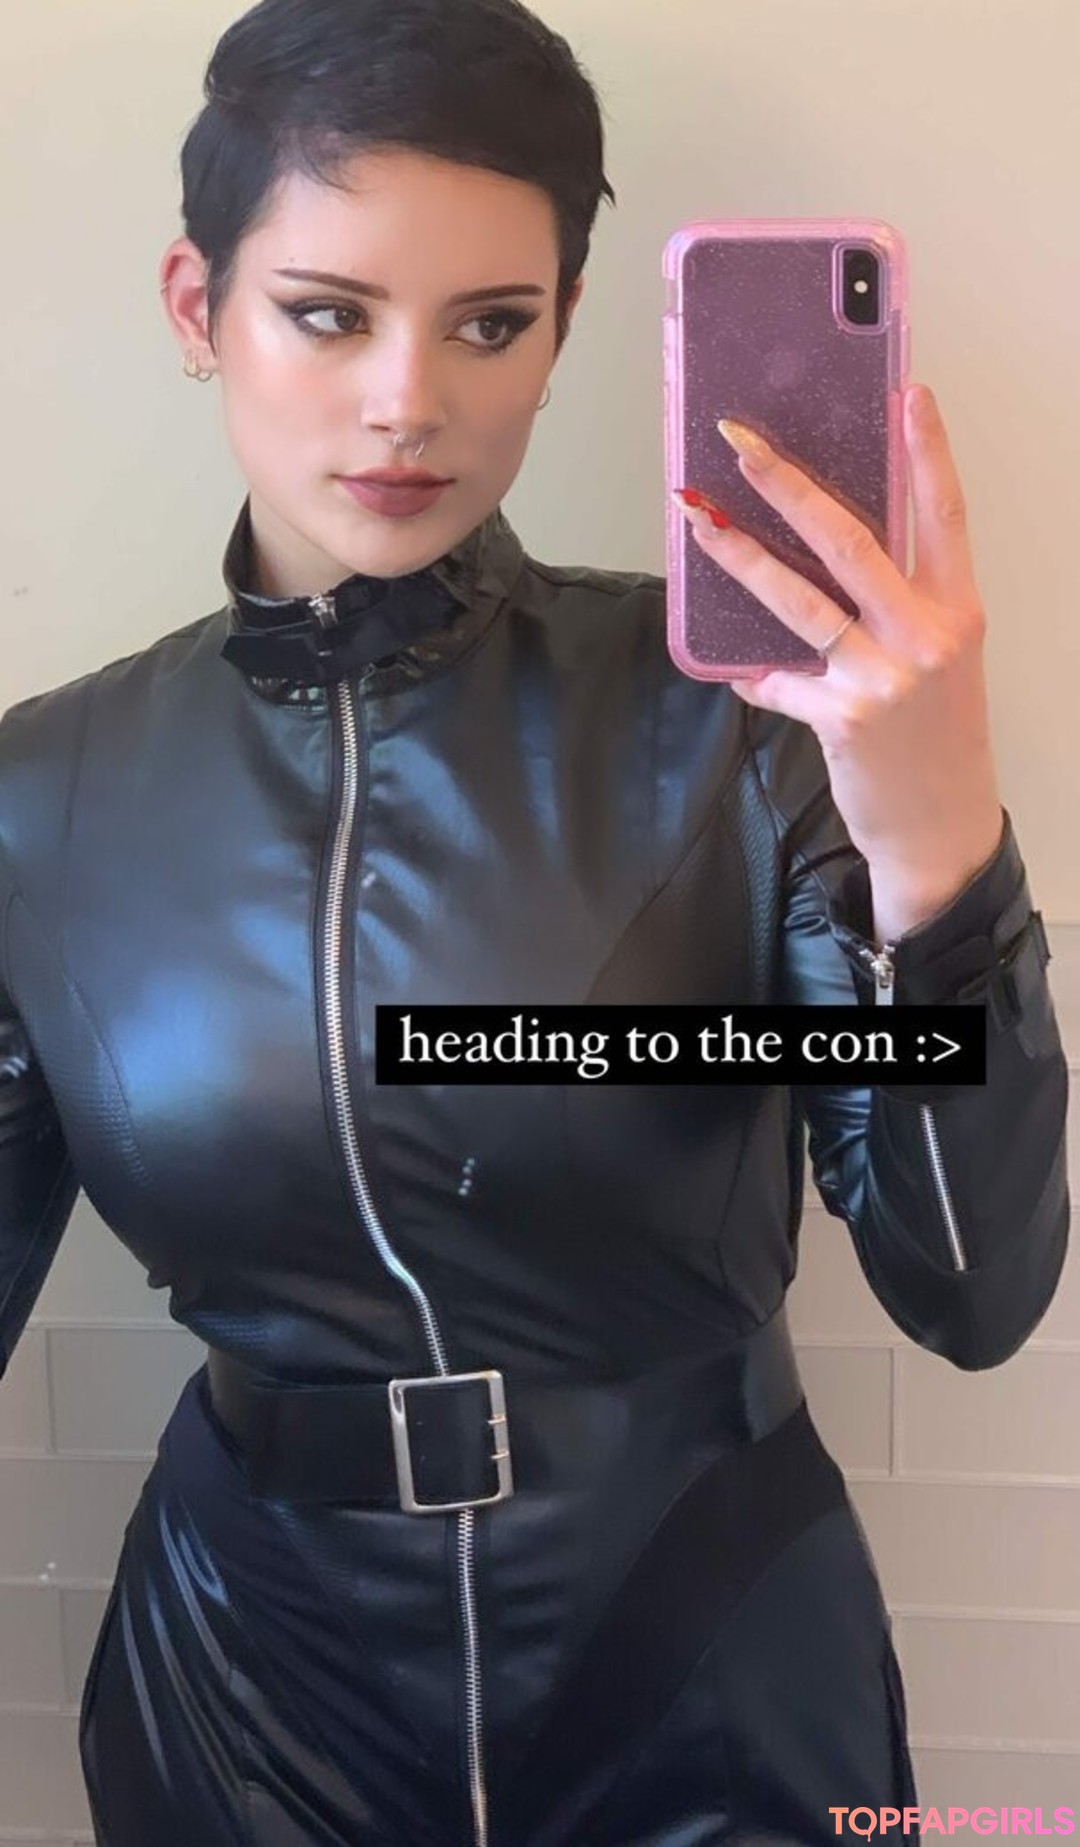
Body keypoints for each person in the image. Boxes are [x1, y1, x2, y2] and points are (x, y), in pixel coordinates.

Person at [0, 1, 1069, 1842]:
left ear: (567, 330)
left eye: (490, 323)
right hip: (247, 1708)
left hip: (711, 1666)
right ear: (198, 305)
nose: (408, 400)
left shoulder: (743, 727)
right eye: (326, 312)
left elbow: (970, 1287)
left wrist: (936, 838)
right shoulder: (42, 800)